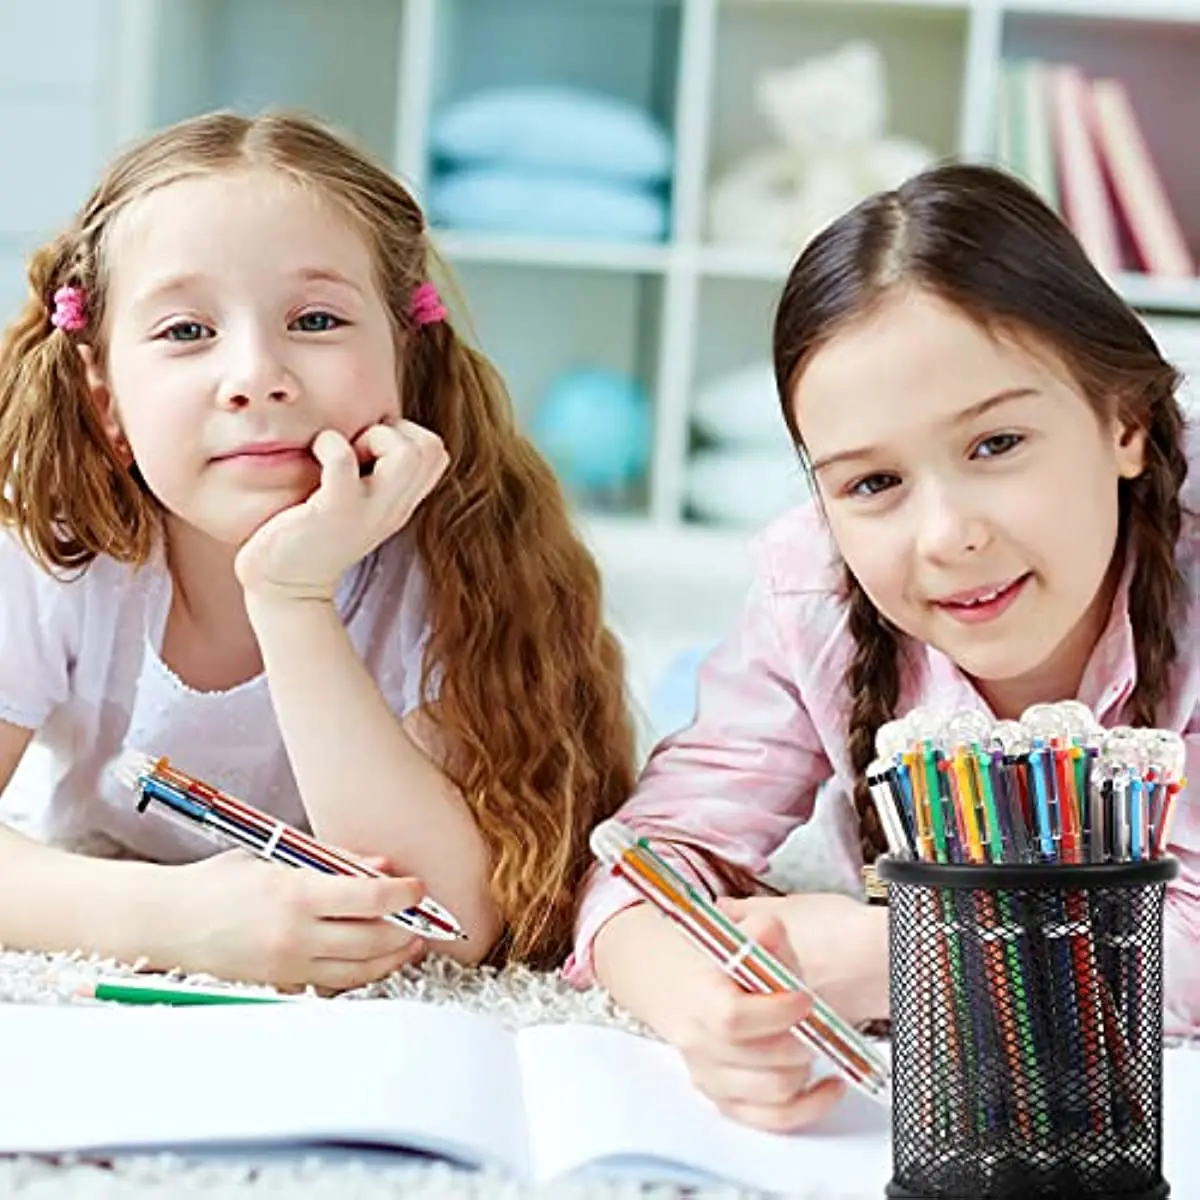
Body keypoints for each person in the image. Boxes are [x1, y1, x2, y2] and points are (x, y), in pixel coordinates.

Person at [567, 163, 1199, 1131]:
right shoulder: (811, 588)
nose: (947, 535)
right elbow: (645, 866)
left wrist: (894, 955)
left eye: (996, 445)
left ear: (1127, 423)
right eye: (872, 484)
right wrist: (700, 1007)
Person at [0, 110, 635, 991]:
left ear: (406, 356)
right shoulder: (55, 547)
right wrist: (168, 918)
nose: (256, 374)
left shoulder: (457, 561)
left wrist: (291, 595)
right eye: (186, 332)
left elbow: (446, 922)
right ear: (104, 396)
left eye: (316, 318)